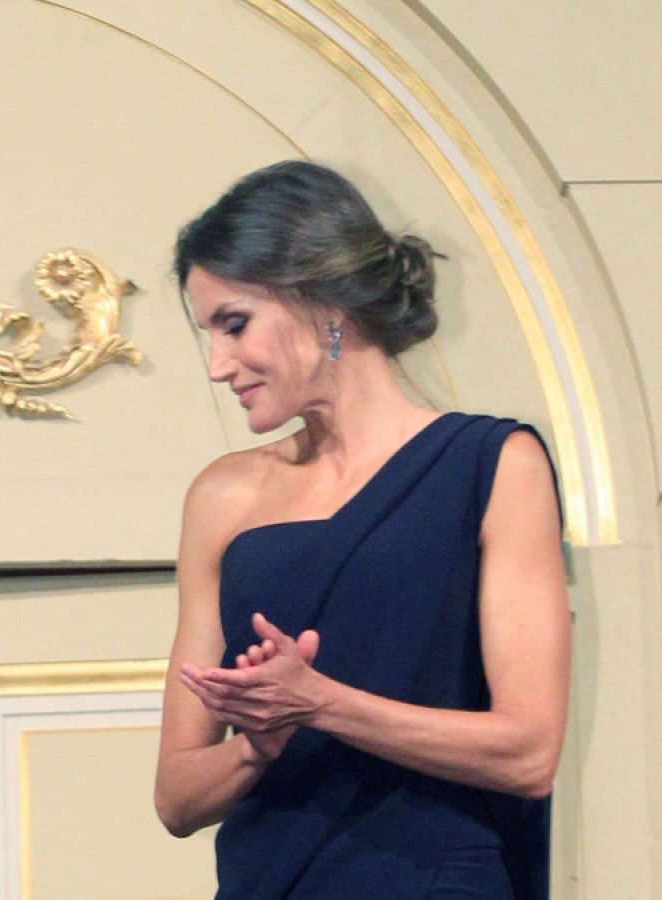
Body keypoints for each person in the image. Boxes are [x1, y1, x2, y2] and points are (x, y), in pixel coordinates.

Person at [153, 161, 569, 898]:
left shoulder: (495, 466)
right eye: (208, 333)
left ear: (326, 304)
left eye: (235, 324)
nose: (218, 366)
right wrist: (259, 745)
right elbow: (177, 798)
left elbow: (529, 752)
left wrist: (319, 702)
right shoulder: (221, 497)